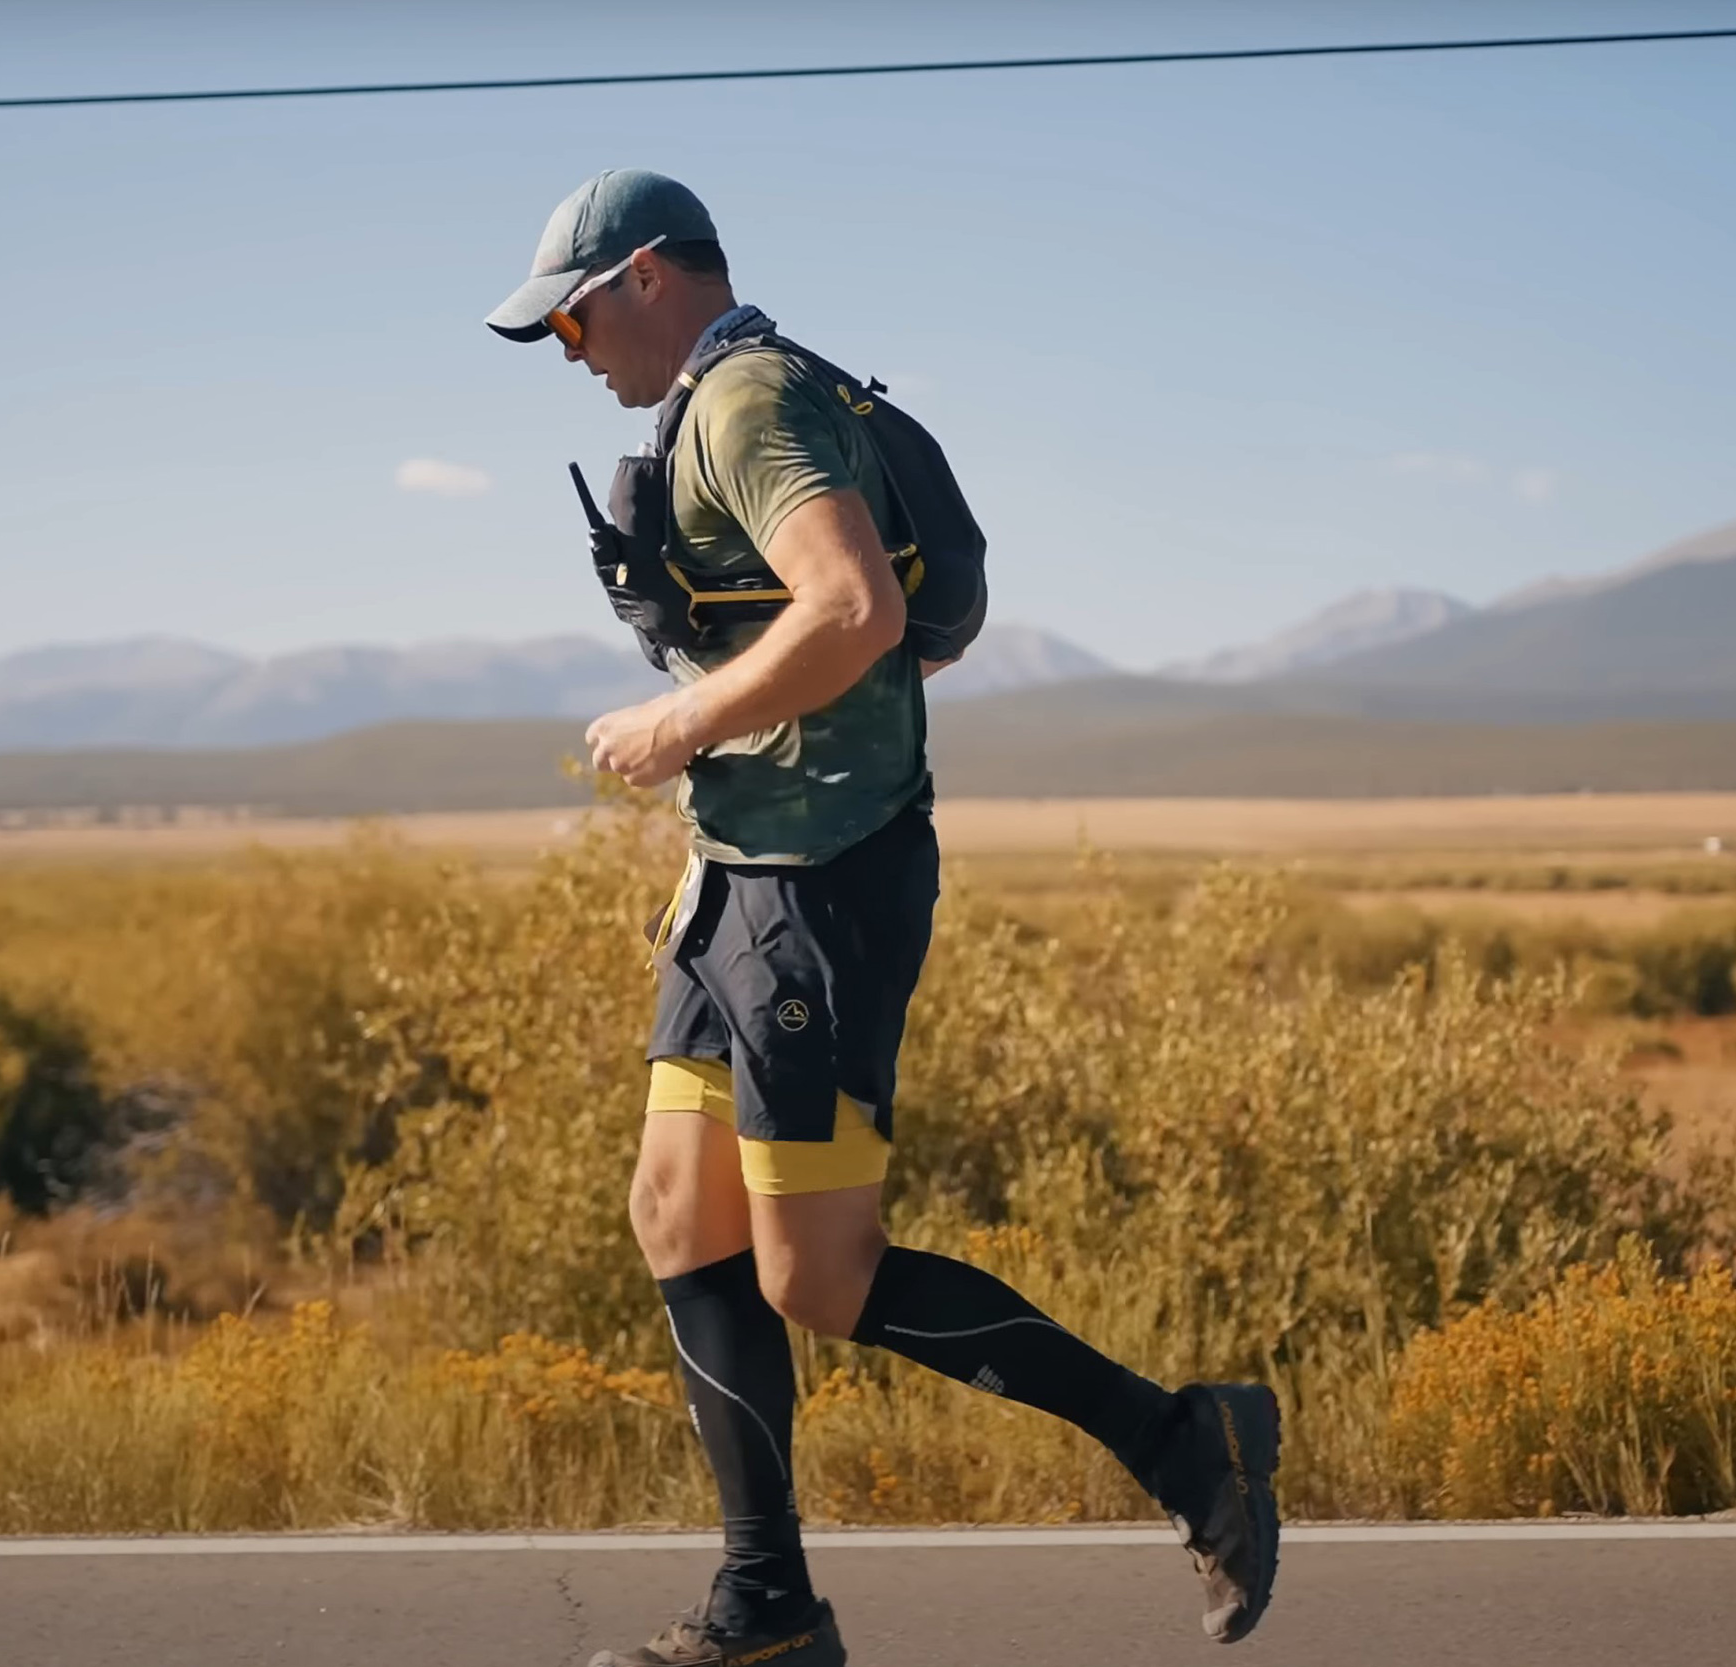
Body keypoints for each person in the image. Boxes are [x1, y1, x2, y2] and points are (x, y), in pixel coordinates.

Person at [484, 168, 1280, 1667]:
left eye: (577, 318)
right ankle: (766, 1611)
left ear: (650, 273)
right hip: (741, 883)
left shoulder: (749, 403)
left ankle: (1187, 1445)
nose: (573, 352)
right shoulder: (721, 405)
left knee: (817, 1279)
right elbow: (888, 637)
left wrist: (681, 729)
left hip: (823, 892)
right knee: (677, 1211)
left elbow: (853, 609)